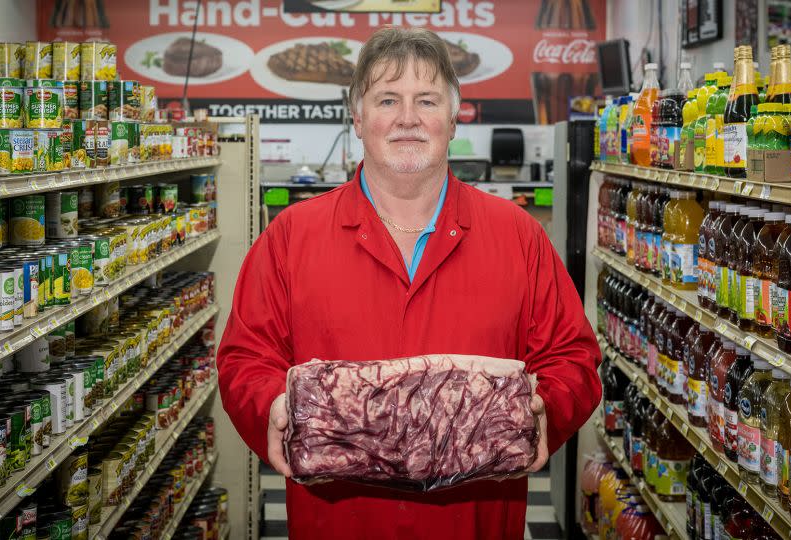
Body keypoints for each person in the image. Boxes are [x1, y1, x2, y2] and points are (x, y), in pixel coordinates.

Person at [217, 27, 601, 540]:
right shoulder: (292, 236)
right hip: (339, 521)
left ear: (453, 116)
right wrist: (273, 407)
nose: (407, 119)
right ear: (357, 116)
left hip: (475, 521)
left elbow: (573, 357)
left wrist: (542, 408)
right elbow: (244, 358)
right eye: (387, 100)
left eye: (426, 100)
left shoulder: (518, 236)